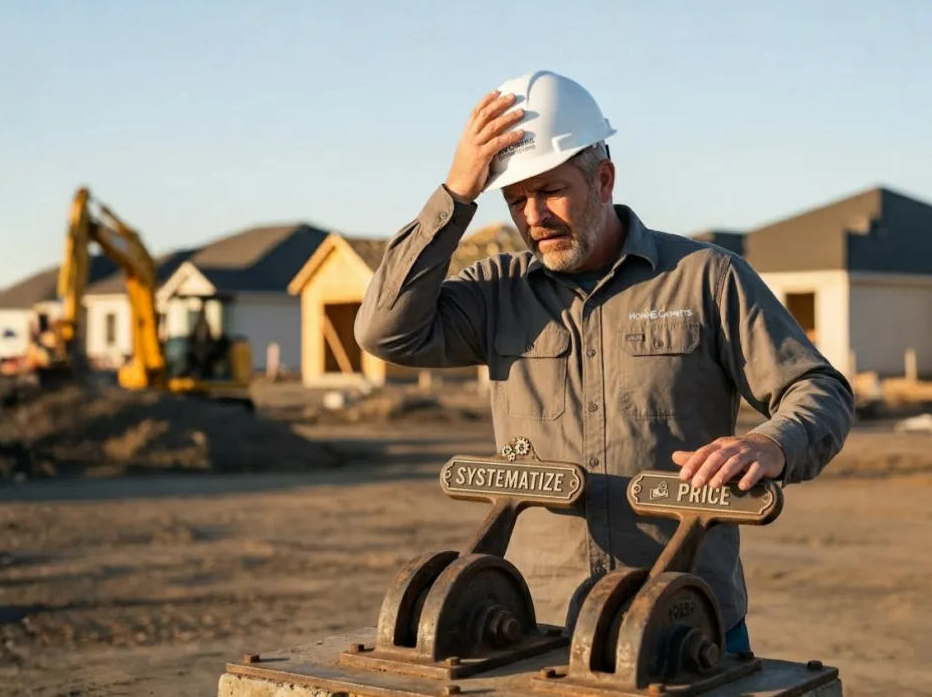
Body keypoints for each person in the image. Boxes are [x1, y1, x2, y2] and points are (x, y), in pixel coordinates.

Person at [353, 70, 855, 656]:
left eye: (551, 191)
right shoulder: (496, 293)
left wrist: (773, 443)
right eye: (516, 199)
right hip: (534, 627)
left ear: (604, 179)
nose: (534, 216)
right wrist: (456, 195)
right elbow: (385, 330)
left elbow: (819, 388)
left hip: (682, 622)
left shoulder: (704, 279)